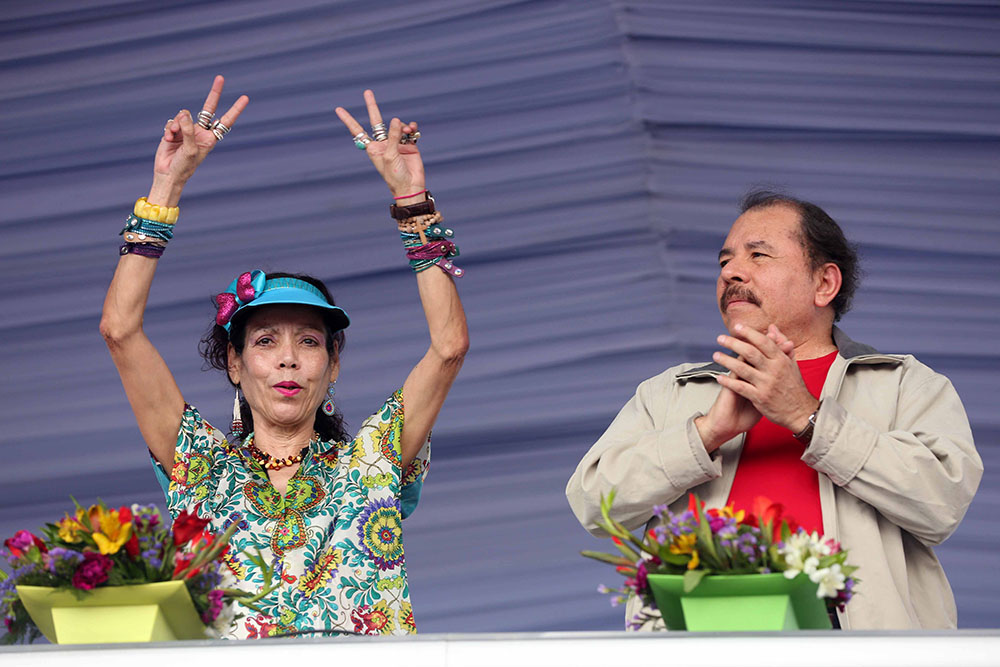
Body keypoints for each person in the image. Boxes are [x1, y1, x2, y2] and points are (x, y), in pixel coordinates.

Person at [100, 78, 468, 638]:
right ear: (234, 363)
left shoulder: (370, 463)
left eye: (310, 341)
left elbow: (448, 347)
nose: (289, 359)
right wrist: (166, 186)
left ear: (333, 364)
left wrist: (412, 202)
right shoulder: (201, 468)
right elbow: (120, 331)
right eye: (265, 341)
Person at [566, 190, 982, 630]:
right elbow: (593, 504)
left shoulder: (903, 383)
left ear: (824, 284)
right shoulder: (671, 391)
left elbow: (941, 503)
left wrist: (808, 417)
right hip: (696, 644)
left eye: (758, 255)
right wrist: (705, 434)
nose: (730, 272)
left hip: (855, 648)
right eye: (724, 260)